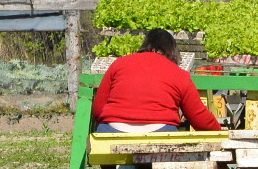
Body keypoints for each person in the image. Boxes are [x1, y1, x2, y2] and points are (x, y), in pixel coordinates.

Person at [90, 29, 223, 133]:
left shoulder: (119, 64)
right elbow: (199, 118)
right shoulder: (179, 74)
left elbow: (98, 109)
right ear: (172, 51)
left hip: (112, 131)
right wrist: (220, 133)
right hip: (161, 132)